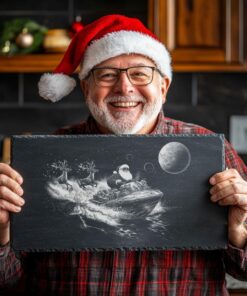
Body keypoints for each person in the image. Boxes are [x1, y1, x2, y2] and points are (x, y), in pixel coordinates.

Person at [0, 14, 246, 296]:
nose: (124, 87)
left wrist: (239, 231)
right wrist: (2, 232)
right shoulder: (45, 158)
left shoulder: (210, 149)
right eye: (107, 74)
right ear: (86, 88)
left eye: (140, 73)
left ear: (163, 88)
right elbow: (7, 281)